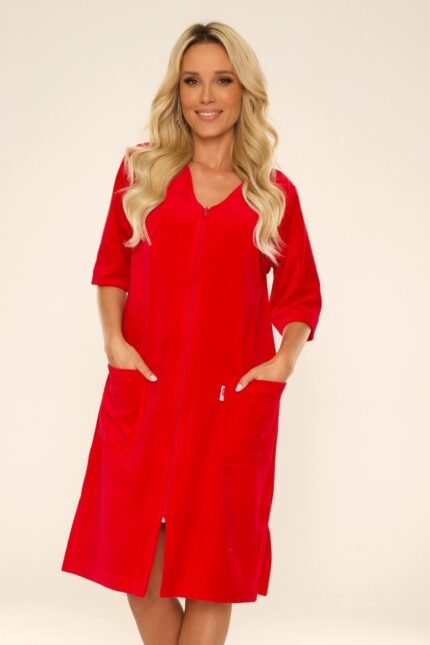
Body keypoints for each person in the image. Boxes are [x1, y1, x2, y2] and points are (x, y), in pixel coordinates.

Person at [61, 21, 322, 645]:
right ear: (176, 91)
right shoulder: (142, 173)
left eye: (222, 80)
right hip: (144, 393)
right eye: (192, 81)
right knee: (138, 569)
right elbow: (112, 269)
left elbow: (300, 297)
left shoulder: (272, 195)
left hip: (229, 404)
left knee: (212, 574)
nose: (207, 96)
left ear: (243, 91)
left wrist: (282, 363)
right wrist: (113, 342)